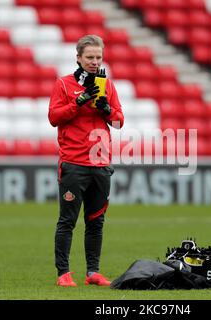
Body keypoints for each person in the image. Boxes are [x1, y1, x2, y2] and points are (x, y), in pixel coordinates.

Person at [48, 35, 124, 287]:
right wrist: (77, 103)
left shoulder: (108, 85)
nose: (94, 62)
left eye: (98, 57)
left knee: (96, 221)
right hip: (74, 164)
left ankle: (93, 272)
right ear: (78, 58)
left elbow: (119, 122)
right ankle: (63, 274)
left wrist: (106, 110)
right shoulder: (64, 84)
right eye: (89, 57)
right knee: (67, 221)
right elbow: (54, 117)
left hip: (101, 164)